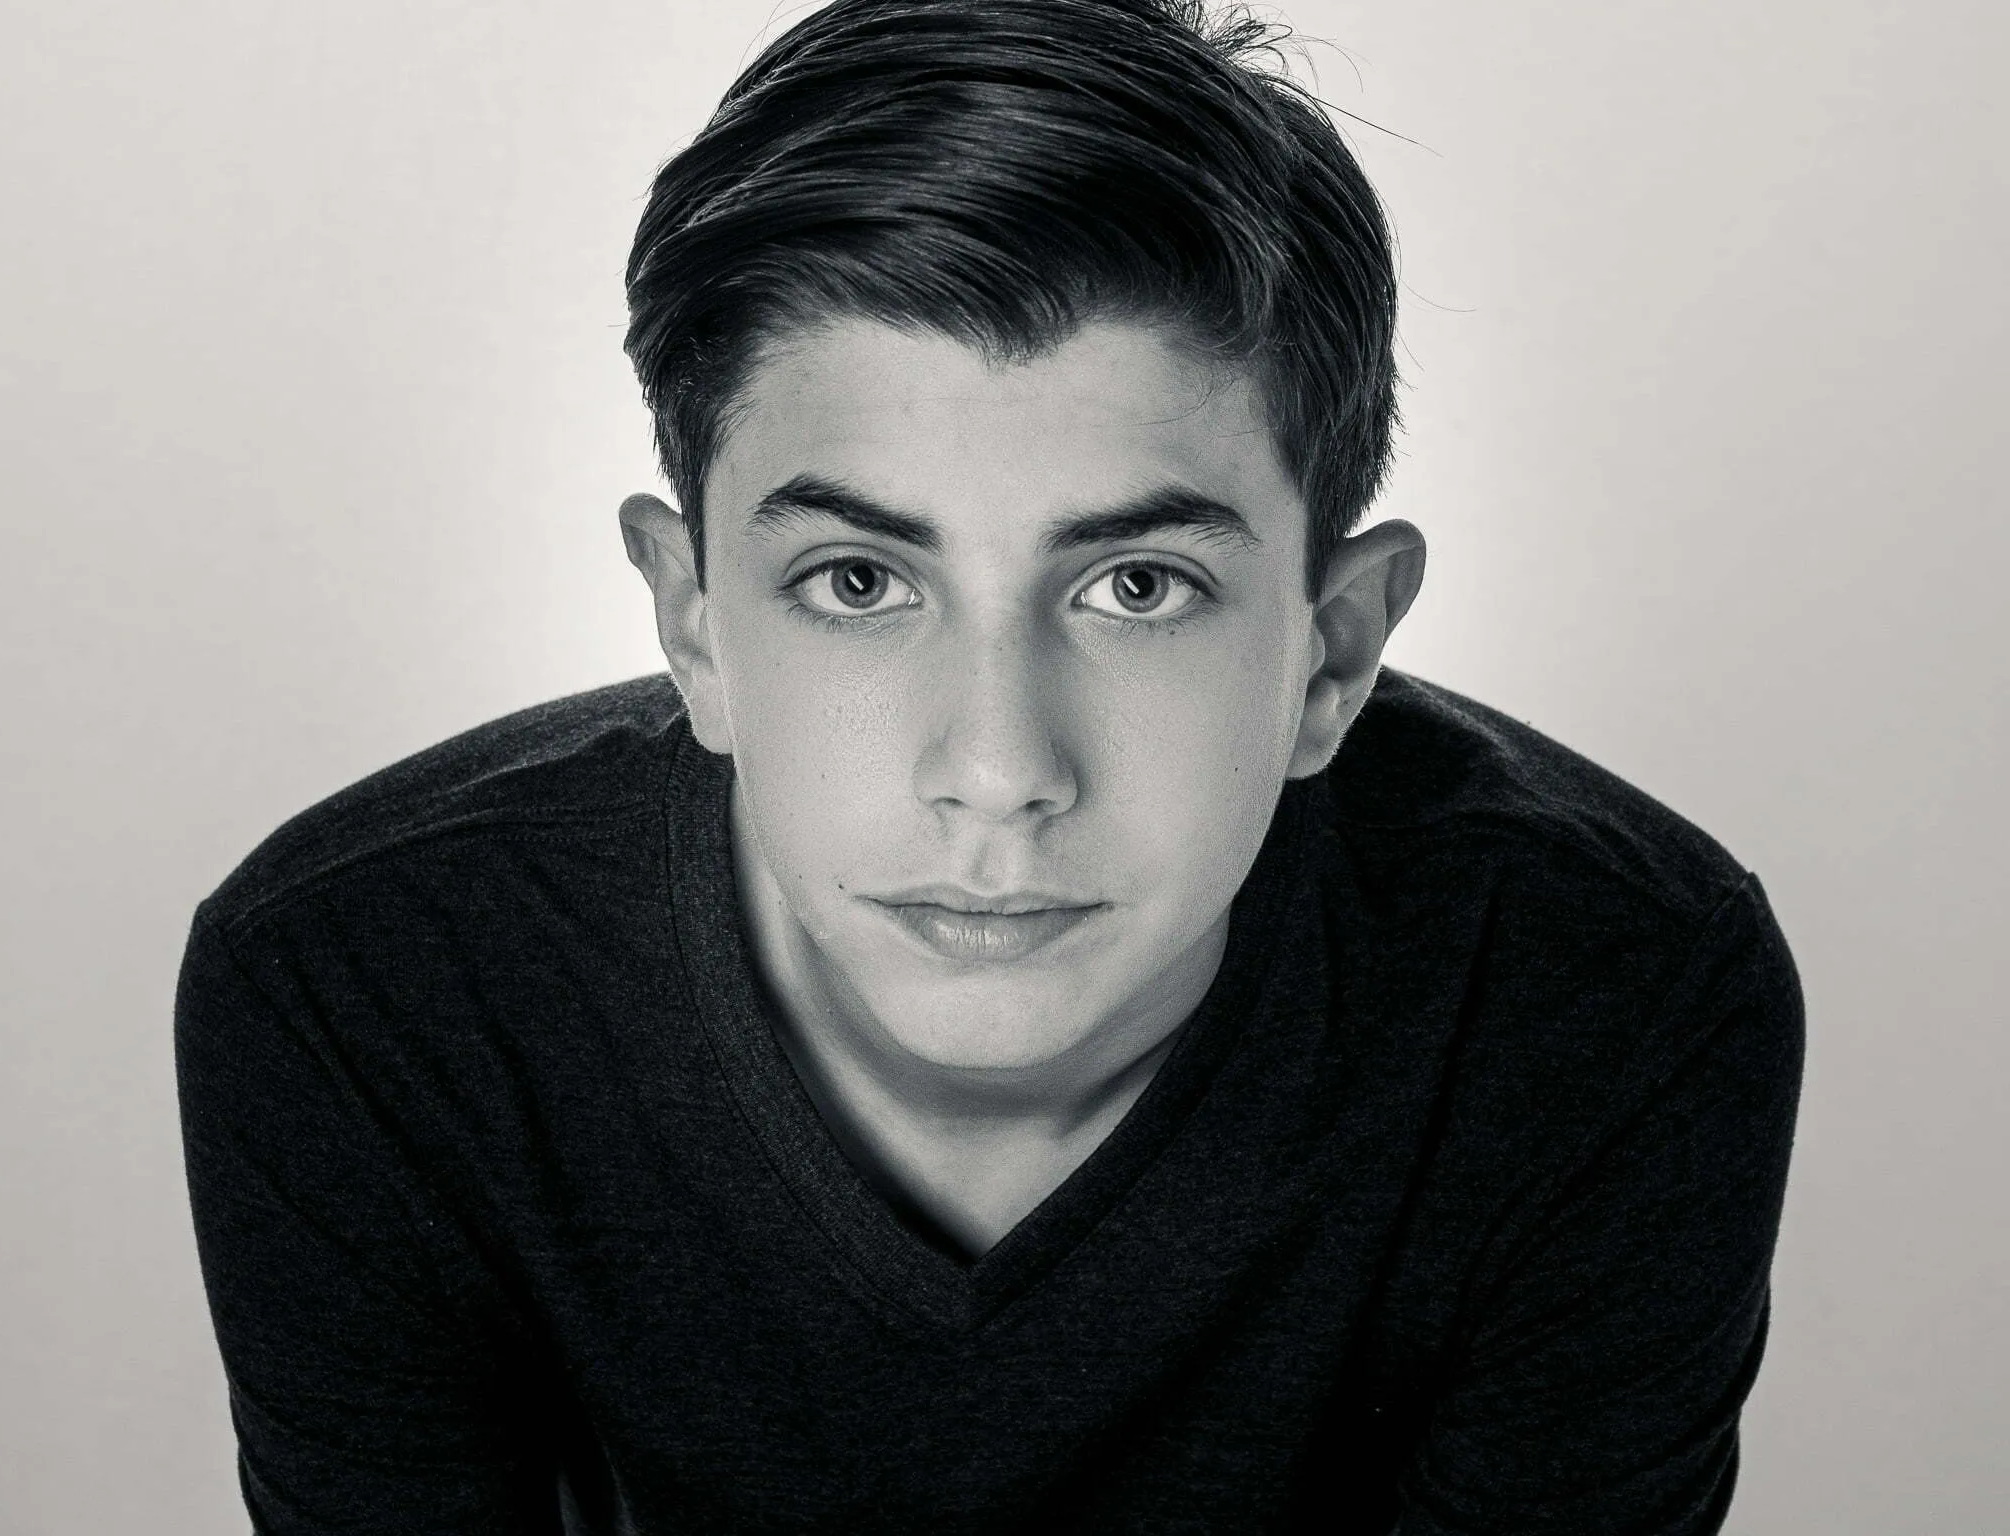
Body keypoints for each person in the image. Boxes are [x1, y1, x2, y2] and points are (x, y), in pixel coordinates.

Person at [173, 1, 1804, 1531]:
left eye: (1135, 587)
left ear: (1335, 652)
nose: (1000, 770)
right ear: (694, 623)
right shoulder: (367, 984)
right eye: (862, 584)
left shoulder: (1618, 994)